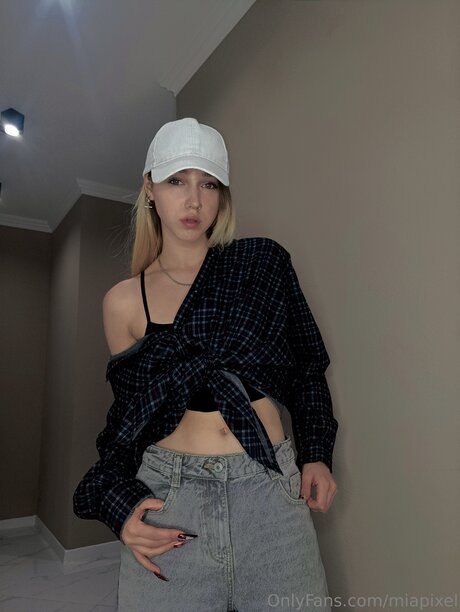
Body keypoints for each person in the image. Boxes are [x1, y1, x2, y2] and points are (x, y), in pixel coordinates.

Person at [73, 117, 338, 612]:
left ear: (223, 195)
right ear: (150, 188)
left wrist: (317, 453)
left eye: (209, 183)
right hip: (171, 497)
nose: (193, 200)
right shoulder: (123, 301)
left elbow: (307, 366)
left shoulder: (262, 263)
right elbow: (130, 421)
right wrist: (121, 510)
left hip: (268, 488)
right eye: (177, 180)